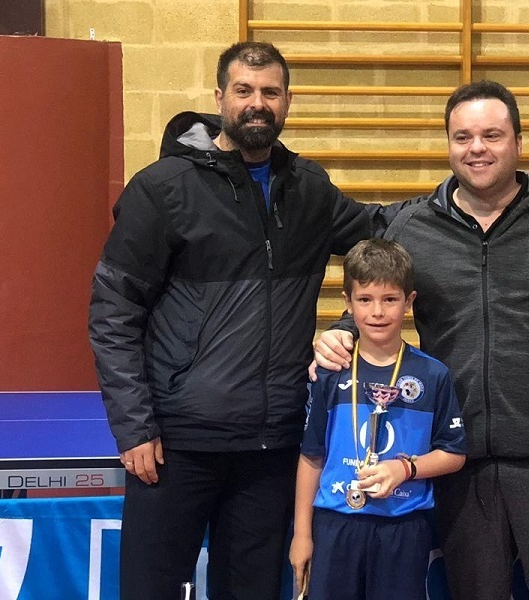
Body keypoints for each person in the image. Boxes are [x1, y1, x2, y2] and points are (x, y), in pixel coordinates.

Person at [314, 80, 529, 600]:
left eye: (492, 135)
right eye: (463, 137)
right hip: (457, 463)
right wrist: (342, 331)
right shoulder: (413, 226)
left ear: (518, 142)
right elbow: (375, 295)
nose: (477, 148)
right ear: (449, 145)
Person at [87, 41, 393, 600]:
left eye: (270, 92)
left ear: (288, 101)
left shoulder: (309, 189)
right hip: (175, 444)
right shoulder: (163, 189)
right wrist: (134, 426)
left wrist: (350, 325)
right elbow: (114, 311)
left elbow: (384, 242)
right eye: (244, 90)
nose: (257, 103)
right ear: (219, 97)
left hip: (270, 446)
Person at [290, 239, 466, 600]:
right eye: (365, 299)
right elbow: (311, 456)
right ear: (347, 302)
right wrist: (302, 534)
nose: (377, 312)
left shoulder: (432, 375)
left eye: (390, 299)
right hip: (335, 522)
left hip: (403, 525)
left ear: (409, 301)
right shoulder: (331, 373)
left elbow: (454, 453)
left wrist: (405, 469)